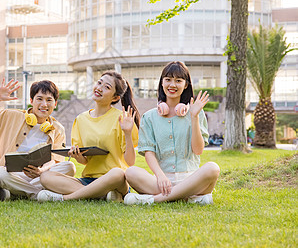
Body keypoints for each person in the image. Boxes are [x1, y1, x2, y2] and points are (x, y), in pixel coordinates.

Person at [124, 61, 220, 206]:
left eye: (178, 80)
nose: (172, 85)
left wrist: (194, 118)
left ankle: (153, 200)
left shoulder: (196, 113)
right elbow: (149, 152)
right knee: (131, 172)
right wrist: (161, 176)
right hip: (162, 182)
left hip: (191, 179)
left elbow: (198, 150)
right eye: (168, 80)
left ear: (186, 84)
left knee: (213, 168)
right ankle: (190, 197)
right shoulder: (149, 117)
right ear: (162, 83)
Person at [37, 71, 140, 202]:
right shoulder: (81, 119)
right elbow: (84, 161)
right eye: (99, 83)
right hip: (88, 180)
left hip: (115, 180)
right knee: (46, 177)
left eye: (107, 87)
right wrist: (78, 156)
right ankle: (102, 195)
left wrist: (127, 133)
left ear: (115, 98)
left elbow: (130, 162)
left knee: (117, 173)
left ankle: (65, 198)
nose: (99, 88)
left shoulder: (123, 119)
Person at [0, 79, 75, 201]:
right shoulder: (11, 116)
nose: (44, 104)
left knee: (69, 167)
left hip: (40, 176)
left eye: (49, 100)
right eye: (40, 99)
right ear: (31, 101)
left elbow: (56, 160)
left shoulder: (58, 128)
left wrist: (41, 171)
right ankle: (38, 194)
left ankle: (15, 191)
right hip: (10, 174)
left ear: (55, 104)